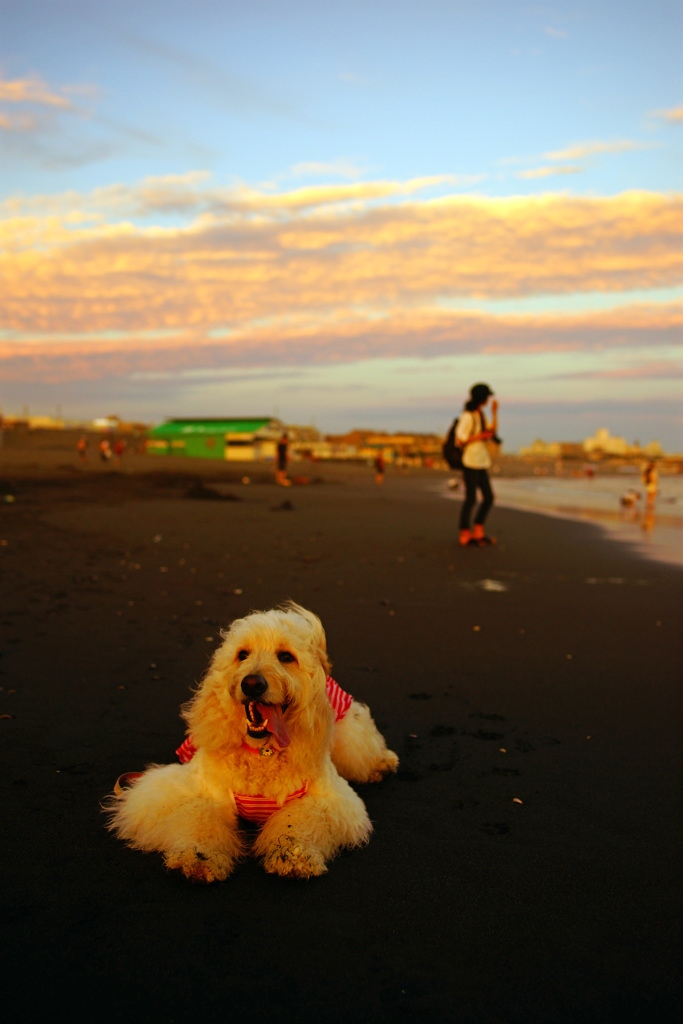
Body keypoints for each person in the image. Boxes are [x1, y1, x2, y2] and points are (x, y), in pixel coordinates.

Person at [455, 383, 499, 546]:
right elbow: (460, 439)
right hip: (470, 461)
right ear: (482, 397)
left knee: (488, 497)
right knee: (471, 498)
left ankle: (479, 530)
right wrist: (480, 436)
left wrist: (495, 413)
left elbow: (491, 432)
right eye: (487, 396)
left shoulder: (481, 414)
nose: (489, 399)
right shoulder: (468, 416)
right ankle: (465, 533)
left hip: (481, 461)